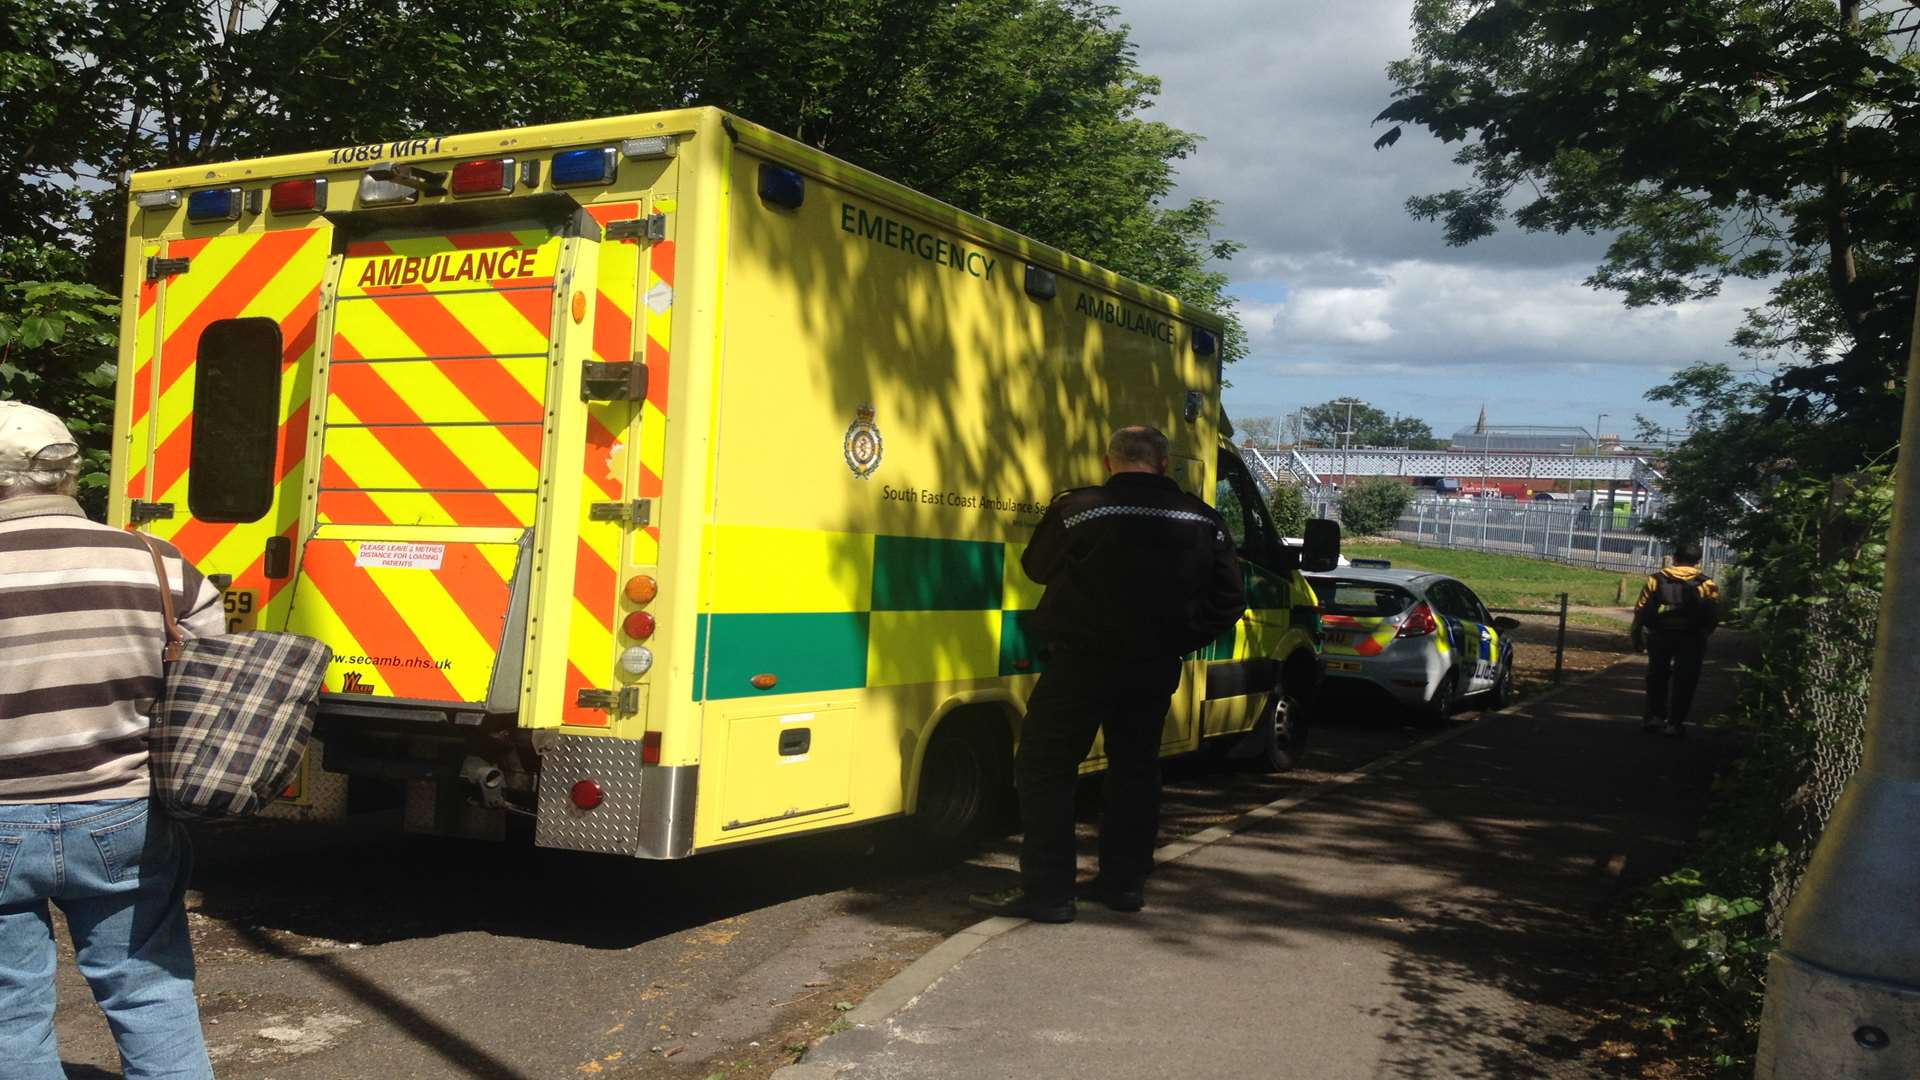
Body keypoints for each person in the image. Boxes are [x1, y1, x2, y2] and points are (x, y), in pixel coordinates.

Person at [0, 401, 222, 1079]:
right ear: (68, 473)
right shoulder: (156, 564)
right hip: (122, 814)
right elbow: (209, 688)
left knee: (10, 1006)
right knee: (149, 990)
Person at [969, 426, 1245, 922]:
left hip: (1080, 663)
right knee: (1135, 770)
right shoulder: (1205, 520)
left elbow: (1036, 567)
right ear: (1165, 464)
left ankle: (1050, 894)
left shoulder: (1079, 509)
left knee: (1046, 767)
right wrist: (1179, 639)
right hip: (1153, 666)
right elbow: (1228, 600)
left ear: (1107, 461)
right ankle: (1123, 885)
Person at [1630, 541, 1720, 738]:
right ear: (1698, 562)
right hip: (1692, 636)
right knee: (1686, 678)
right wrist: (1704, 633)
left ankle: (1655, 717)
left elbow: (1641, 609)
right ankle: (1675, 722)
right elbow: (1713, 613)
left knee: (1657, 674)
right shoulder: (1707, 583)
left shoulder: (1656, 579)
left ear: (1674, 558)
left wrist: (1636, 634)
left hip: (1660, 634)